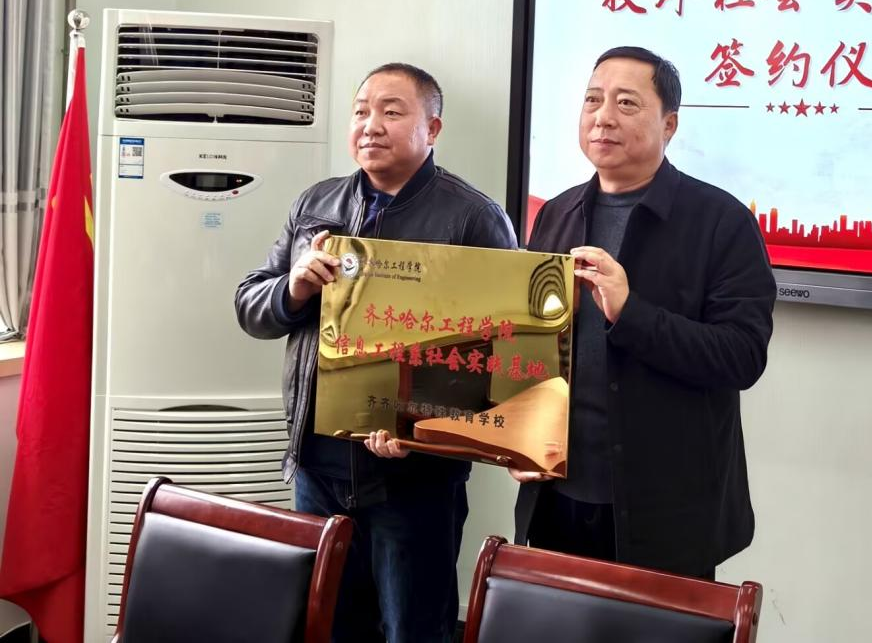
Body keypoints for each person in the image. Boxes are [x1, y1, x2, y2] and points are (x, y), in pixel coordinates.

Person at [235, 62, 516, 643]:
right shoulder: (317, 204)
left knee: (412, 628)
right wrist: (294, 288)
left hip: (414, 479)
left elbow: (502, 357)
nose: (371, 125)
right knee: (327, 623)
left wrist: (419, 428)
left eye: (392, 111)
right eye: (361, 111)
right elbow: (250, 305)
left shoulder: (473, 217)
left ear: (432, 129)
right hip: (317, 466)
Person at [513, 46, 776, 580]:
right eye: (593, 100)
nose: (603, 116)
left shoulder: (721, 222)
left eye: (626, 103)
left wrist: (630, 312)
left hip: (667, 511)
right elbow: (530, 346)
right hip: (557, 497)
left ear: (669, 124)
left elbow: (742, 357)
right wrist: (517, 437)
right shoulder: (557, 214)